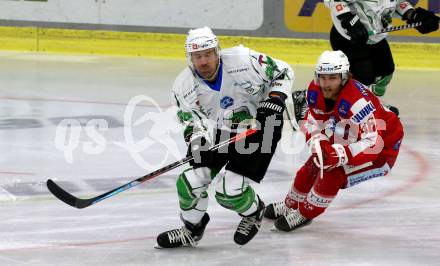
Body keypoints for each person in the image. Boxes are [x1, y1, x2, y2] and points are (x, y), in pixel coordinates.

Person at [156, 26, 295, 247]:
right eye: (197, 56)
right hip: (224, 131)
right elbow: (192, 121)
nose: (203, 61)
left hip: (262, 127)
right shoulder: (183, 85)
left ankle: (254, 212)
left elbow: (284, 70)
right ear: (190, 57)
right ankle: (192, 230)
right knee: (189, 182)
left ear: (217, 51)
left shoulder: (243, 60)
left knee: (228, 193)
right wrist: (197, 142)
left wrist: (276, 98)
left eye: (208, 54)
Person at [264, 50, 404, 232]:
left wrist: (341, 154)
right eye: (322, 77)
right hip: (349, 134)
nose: (326, 84)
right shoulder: (314, 91)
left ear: (344, 78)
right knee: (314, 163)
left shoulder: (358, 103)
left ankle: (306, 213)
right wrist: (319, 142)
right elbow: (311, 120)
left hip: (382, 148)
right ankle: (291, 204)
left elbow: (373, 144)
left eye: (332, 78)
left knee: (333, 173)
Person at [291, 1, 439, 123]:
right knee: (359, 80)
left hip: (375, 37)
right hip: (349, 37)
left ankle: (370, 104)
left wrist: (412, 14)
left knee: (386, 70)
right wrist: (347, 17)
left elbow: (395, 4)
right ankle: (305, 99)